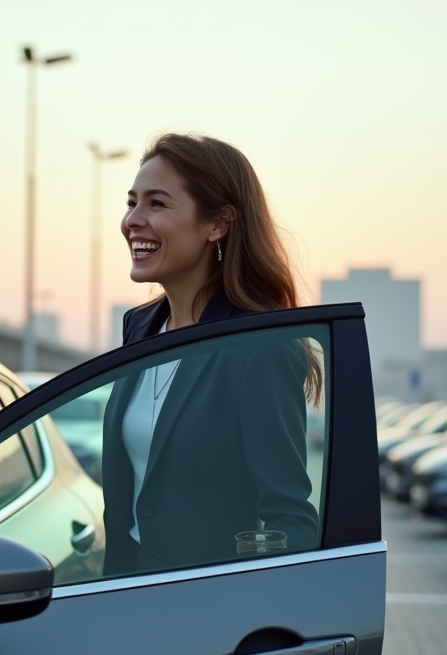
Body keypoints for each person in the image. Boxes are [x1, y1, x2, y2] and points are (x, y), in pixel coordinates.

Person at [101, 133, 321, 577]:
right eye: (132, 203)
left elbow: (289, 517)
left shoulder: (258, 345)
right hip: (125, 593)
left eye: (157, 204)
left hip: (209, 609)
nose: (132, 221)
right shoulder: (139, 328)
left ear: (218, 224)